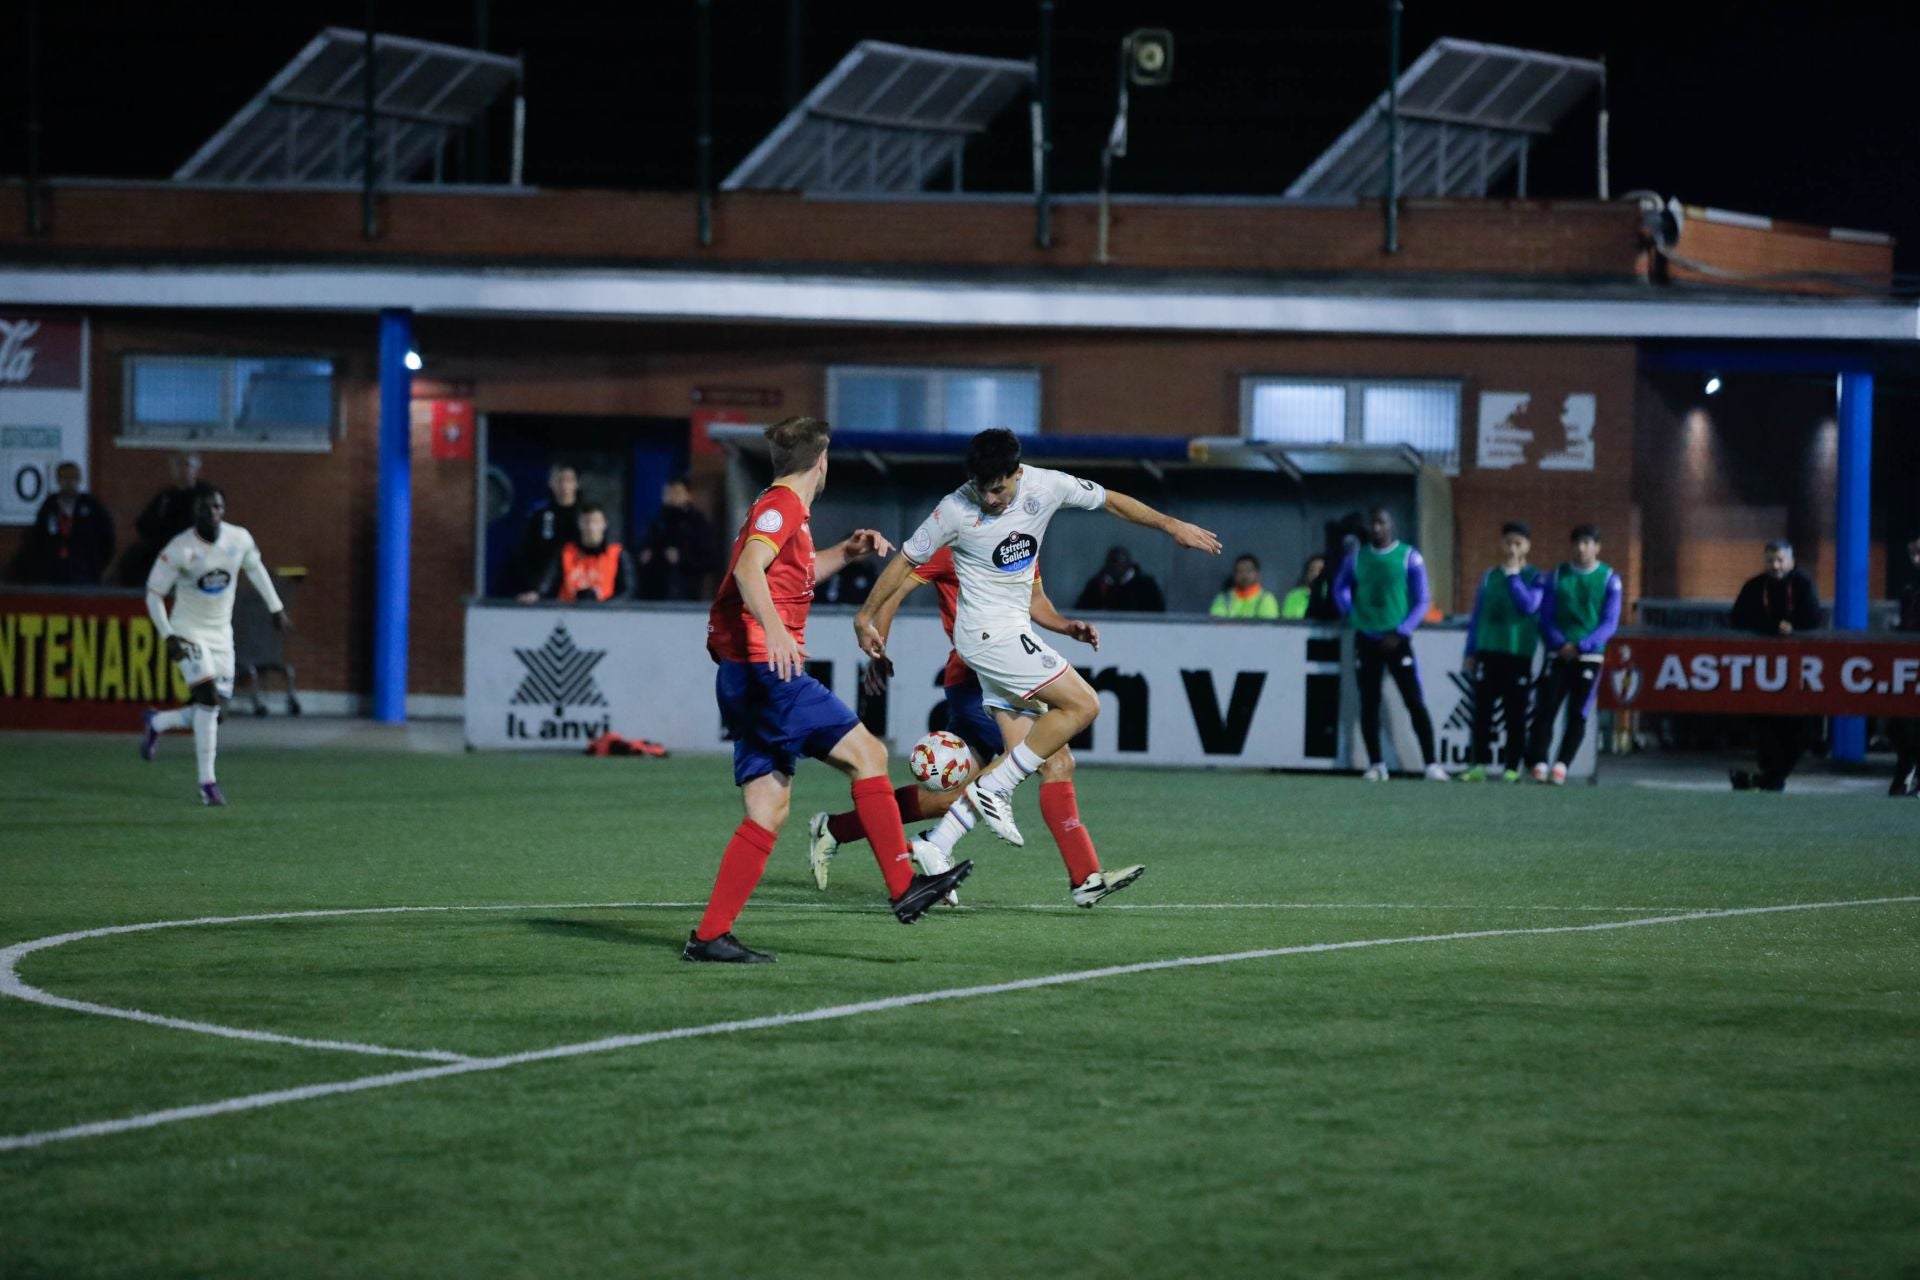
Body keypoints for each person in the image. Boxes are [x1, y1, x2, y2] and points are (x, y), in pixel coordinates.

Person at [858, 428, 1220, 890]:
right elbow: (905, 563)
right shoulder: (954, 509)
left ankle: (938, 844)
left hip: (1007, 634)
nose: (989, 498)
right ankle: (994, 788)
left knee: (1036, 755)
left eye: (998, 487)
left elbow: (1111, 500)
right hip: (989, 639)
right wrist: (866, 616)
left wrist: (1171, 526)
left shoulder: (1046, 486)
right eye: (981, 487)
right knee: (1084, 705)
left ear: (1016, 473)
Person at [688, 417, 971, 964]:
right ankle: (902, 887)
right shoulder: (783, 506)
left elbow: (786, 573)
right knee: (868, 754)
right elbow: (750, 570)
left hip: (743, 675)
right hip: (766, 672)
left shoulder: (780, 508)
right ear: (822, 462)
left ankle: (709, 937)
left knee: (767, 809)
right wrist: (773, 630)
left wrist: (847, 551)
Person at [811, 552, 1110, 906]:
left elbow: (1034, 602)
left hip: (1002, 672)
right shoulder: (958, 541)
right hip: (977, 677)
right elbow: (894, 588)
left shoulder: (1020, 539)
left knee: (954, 797)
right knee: (1051, 758)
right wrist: (879, 650)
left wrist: (1066, 625)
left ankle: (836, 828)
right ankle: (1084, 877)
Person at [138, 484, 291, 806]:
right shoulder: (180, 549)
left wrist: (276, 608)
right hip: (187, 631)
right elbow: (153, 595)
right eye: (206, 508)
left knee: (215, 713)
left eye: (217, 507)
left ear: (224, 509)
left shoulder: (239, 539)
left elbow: (256, 569)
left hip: (222, 635)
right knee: (207, 697)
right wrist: (168, 635)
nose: (213, 513)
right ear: (196, 513)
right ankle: (207, 783)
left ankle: (158, 722)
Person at [1332, 507, 1447, 782]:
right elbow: (1340, 587)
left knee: (1414, 701)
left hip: (1397, 640)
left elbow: (1422, 600)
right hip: (1367, 638)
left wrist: (1402, 630)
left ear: (1391, 525)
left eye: (1381, 522)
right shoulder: (1357, 557)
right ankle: (1377, 764)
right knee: (1368, 703)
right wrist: (1351, 613)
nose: (1377, 528)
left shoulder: (1409, 557)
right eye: (1373, 523)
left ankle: (1431, 764)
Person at [1516, 524, 1622, 785]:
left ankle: (1562, 765)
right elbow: (1546, 615)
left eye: (1587, 543)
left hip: (1589, 657)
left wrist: (1583, 645)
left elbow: (1609, 623)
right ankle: (1539, 762)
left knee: (1578, 712)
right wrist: (1559, 643)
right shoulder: (1556, 576)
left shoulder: (1610, 579)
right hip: (1559, 654)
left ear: (1597, 547)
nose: (1581, 548)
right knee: (1546, 708)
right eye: (1577, 542)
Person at [1729, 540, 1823, 792]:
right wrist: (1771, 628)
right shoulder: (1754, 586)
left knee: (1799, 732)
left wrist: (1794, 628)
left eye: (1780, 560)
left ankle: (1766, 780)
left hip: (1800, 673)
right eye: (1770, 560)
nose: (1775, 565)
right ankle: (1770, 780)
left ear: (1791, 561)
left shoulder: (1803, 585)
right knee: (1764, 728)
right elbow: (1737, 617)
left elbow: (1814, 617)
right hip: (1762, 672)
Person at [1458, 522, 1540, 782]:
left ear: (1528, 546)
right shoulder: (1489, 576)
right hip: (1488, 652)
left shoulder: (1536, 578)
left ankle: (1512, 767)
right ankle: (1478, 765)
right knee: (1482, 712)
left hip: (1517, 654)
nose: (1512, 548)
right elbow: (1478, 615)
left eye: (1518, 543)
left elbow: (1528, 606)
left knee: (1515, 714)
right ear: (1501, 544)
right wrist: (1471, 650)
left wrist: (1514, 575)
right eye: (1508, 542)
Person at [518, 502, 634, 603]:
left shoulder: (617, 554)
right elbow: (547, 582)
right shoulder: (565, 552)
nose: (590, 527)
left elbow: (627, 591)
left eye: (595, 522)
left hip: (605, 617)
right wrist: (536, 595)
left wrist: (604, 607)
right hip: (569, 616)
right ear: (579, 524)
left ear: (604, 524)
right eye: (586, 522)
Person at [22, 461, 115, 585]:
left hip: (85, 572)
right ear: (58, 480)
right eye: (65, 477)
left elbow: (106, 538)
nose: (69, 482)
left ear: (79, 479)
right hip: (53, 572)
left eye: (73, 477)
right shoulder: (49, 506)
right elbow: (38, 538)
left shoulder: (91, 506)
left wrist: (97, 565)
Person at [636, 476, 718, 601]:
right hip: (656, 593)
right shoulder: (658, 521)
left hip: (686, 592)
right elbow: (644, 548)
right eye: (669, 493)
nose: (672, 497)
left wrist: (682, 559)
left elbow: (710, 559)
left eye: (677, 493)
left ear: (688, 495)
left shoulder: (697, 523)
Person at [124, 451, 201, 584]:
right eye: (178, 465)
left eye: (187, 465)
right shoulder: (164, 497)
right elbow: (144, 524)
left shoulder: (203, 496)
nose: (183, 470)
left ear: (196, 470)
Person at [1886, 533, 1920, 798]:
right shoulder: (1909, 586)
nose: (1916, 560)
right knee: (1901, 724)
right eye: (1913, 555)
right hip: (1907, 666)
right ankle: (1904, 777)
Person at [515, 464, 581, 595]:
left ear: (577, 484)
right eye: (559, 480)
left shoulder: (584, 515)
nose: (564, 486)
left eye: (568, 480)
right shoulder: (539, 515)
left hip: (577, 586)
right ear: (550, 483)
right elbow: (525, 552)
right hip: (543, 588)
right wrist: (534, 586)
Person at [1073, 545, 1166, 612]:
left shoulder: (1146, 586)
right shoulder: (1095, 586)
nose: (1116, 566)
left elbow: (1157, 614)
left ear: (1128, 563)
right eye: (1113, 562)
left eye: (1120, 562)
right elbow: (1081, 612)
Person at [1210, 554, 1281, 620]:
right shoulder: (1224, 599)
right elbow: (1217, 626)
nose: (1244, 575)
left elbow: (1268, 629)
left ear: (1258, 574)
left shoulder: (1266, 599)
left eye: (1249, 571)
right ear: (1235, 575)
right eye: (1240, 571)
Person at [1280, 555, 1327, 620]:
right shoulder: (1294, 596)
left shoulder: (1332, 597)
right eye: (1312, 570)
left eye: (1321, 571)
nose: (1316, 574)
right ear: (1306, 574)